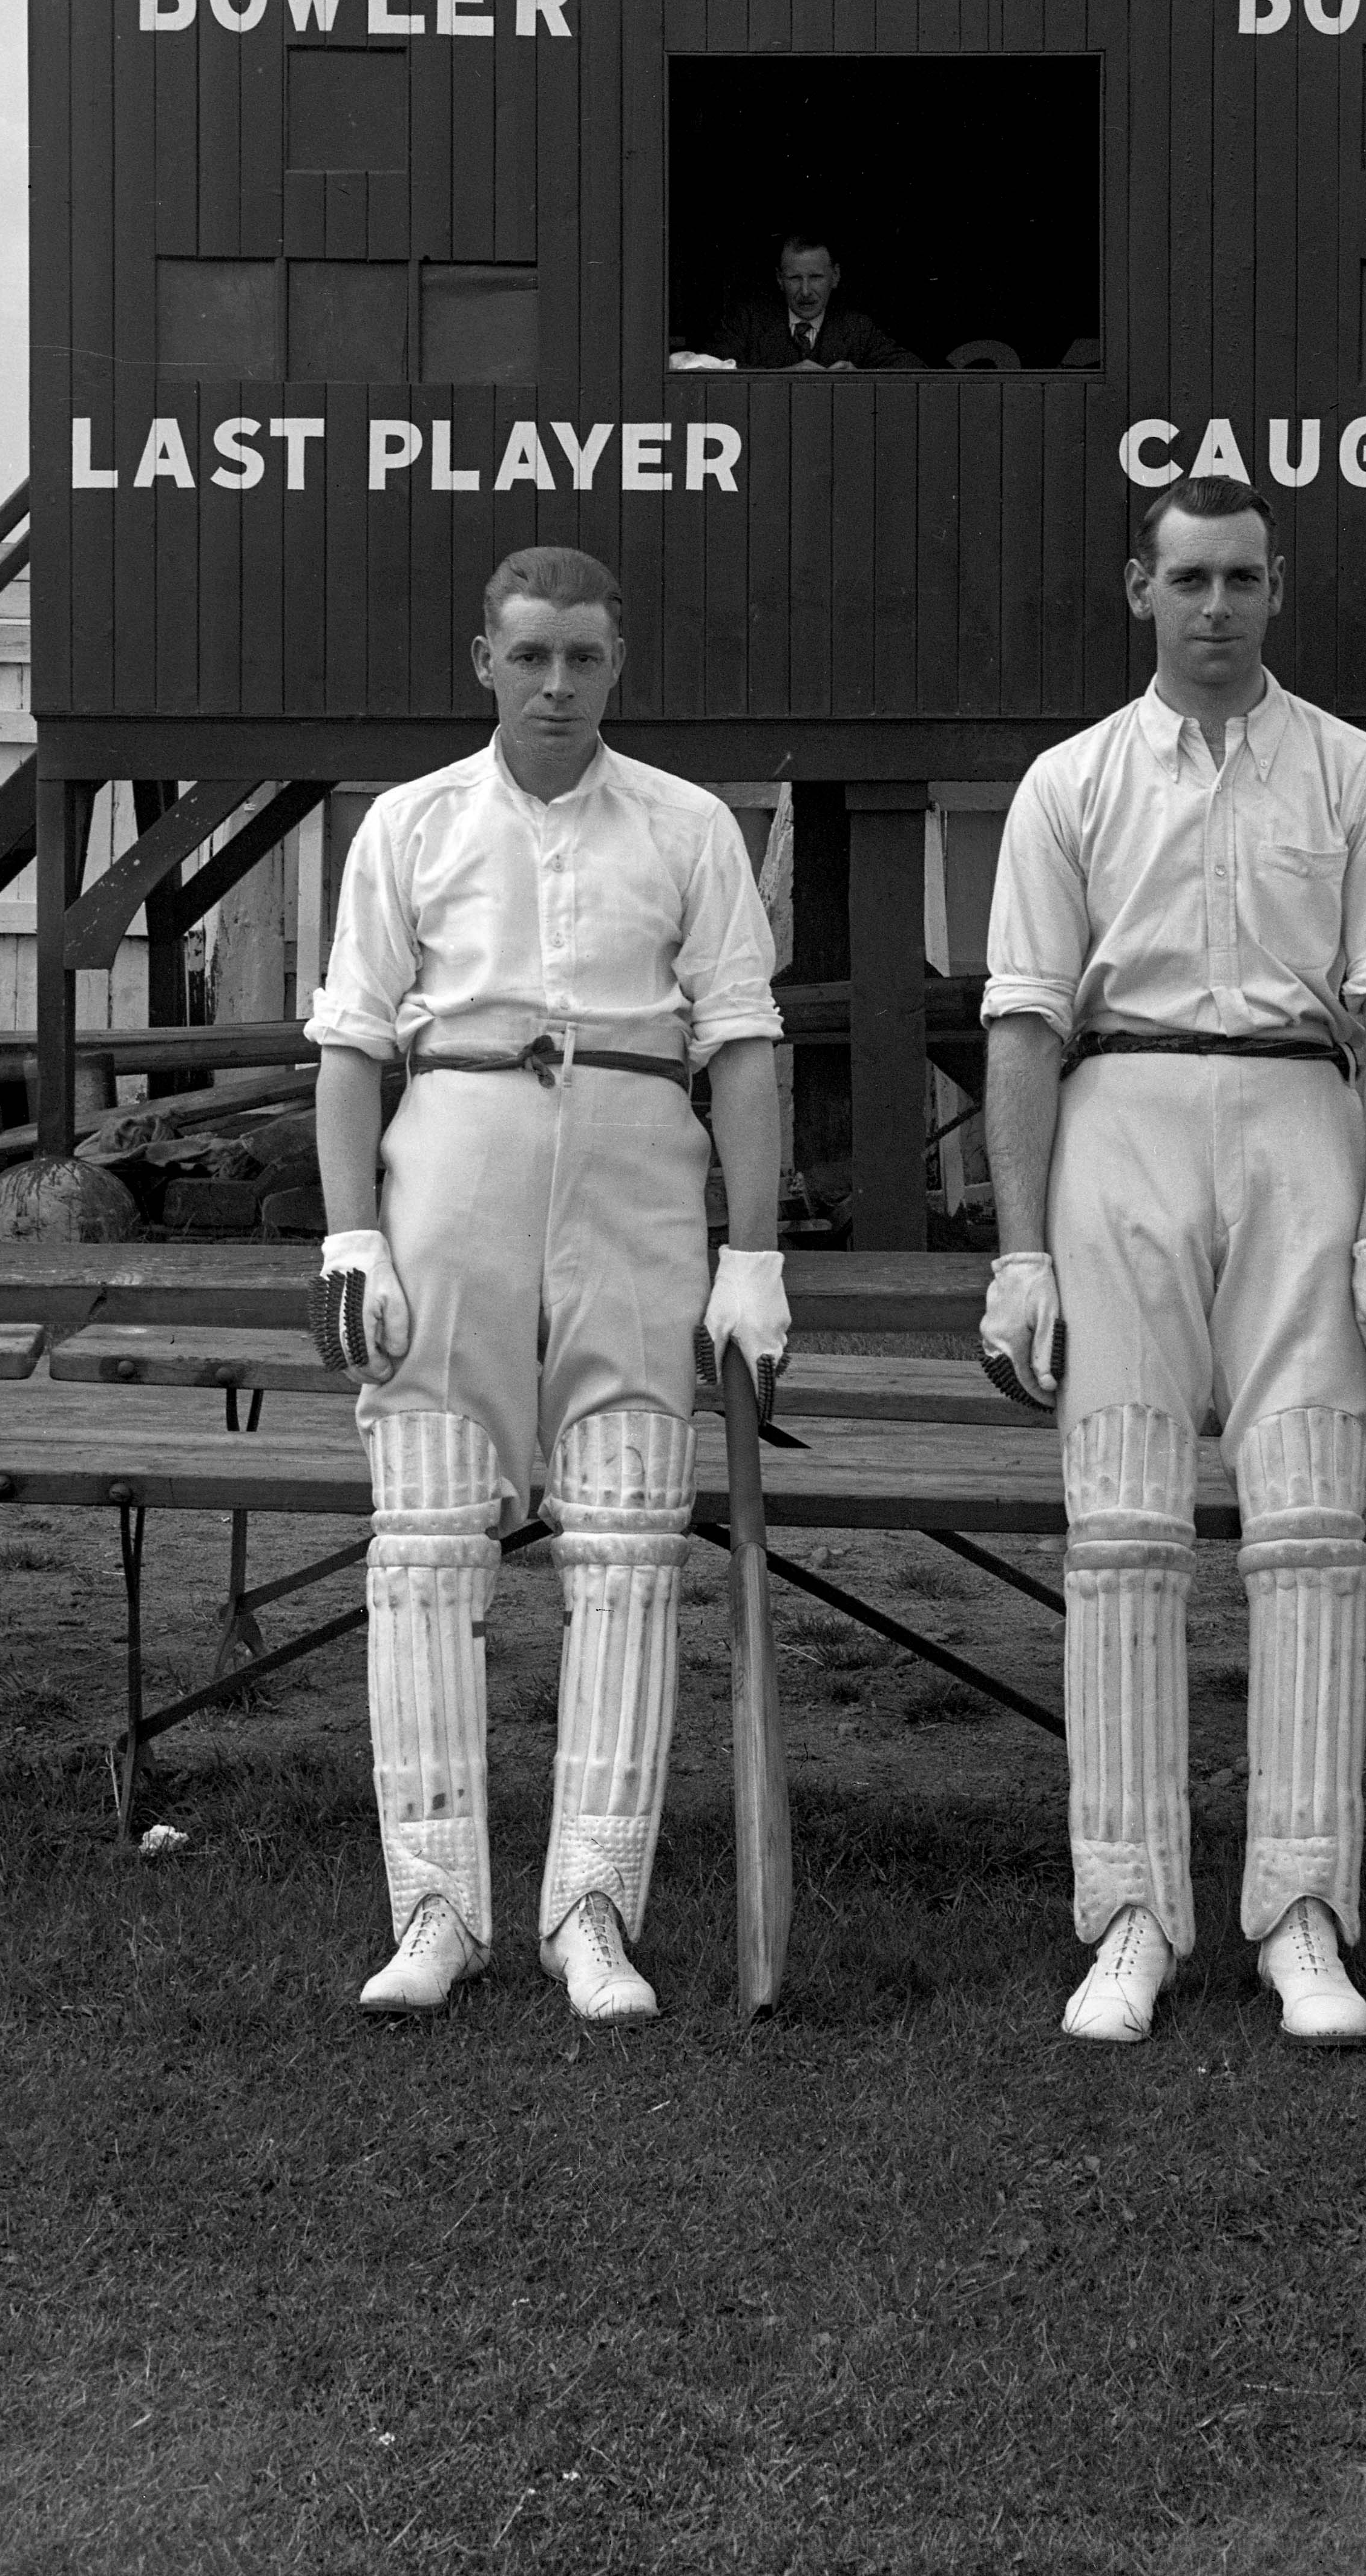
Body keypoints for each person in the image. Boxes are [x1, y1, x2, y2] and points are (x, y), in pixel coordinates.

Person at [978, 476, 1366, 2048]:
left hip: (1295, 1131)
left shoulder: (1353, 773)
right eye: (1187, 577)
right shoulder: (1069, 783)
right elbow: (1025, 1023)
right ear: (1138, 588)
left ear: (1275, 586)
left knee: (1311, 1523)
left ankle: (1301, 1914)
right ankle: (1126, 1916)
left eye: (1242, 578)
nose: (1216, 606)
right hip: (1118, 1123)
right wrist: (1019, 1247)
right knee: (1119, 1533)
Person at [306, 543, 790, 2026]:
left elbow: (745, 1043)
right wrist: (349, 1235)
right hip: (450, 1193)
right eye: (530, 656)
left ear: (616, 661)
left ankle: (591, 1908)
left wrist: (755, 1252)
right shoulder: (411, 824)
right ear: (484, 661)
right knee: (427, 1553)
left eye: (582, 657)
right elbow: (348, 1046)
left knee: (631, 1554)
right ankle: (434, 1907)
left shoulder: (686, 826)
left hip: (638, 1201)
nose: (557, 684)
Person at [722, 229, 916, 372]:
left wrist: (861, 377)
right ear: (780, 280)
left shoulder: (858, 328)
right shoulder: (748, 322)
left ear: (836, 276)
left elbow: (914, 370)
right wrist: (779, 377)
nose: (806, 291)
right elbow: (704, 366)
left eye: (816, 277)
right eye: (795, 279)